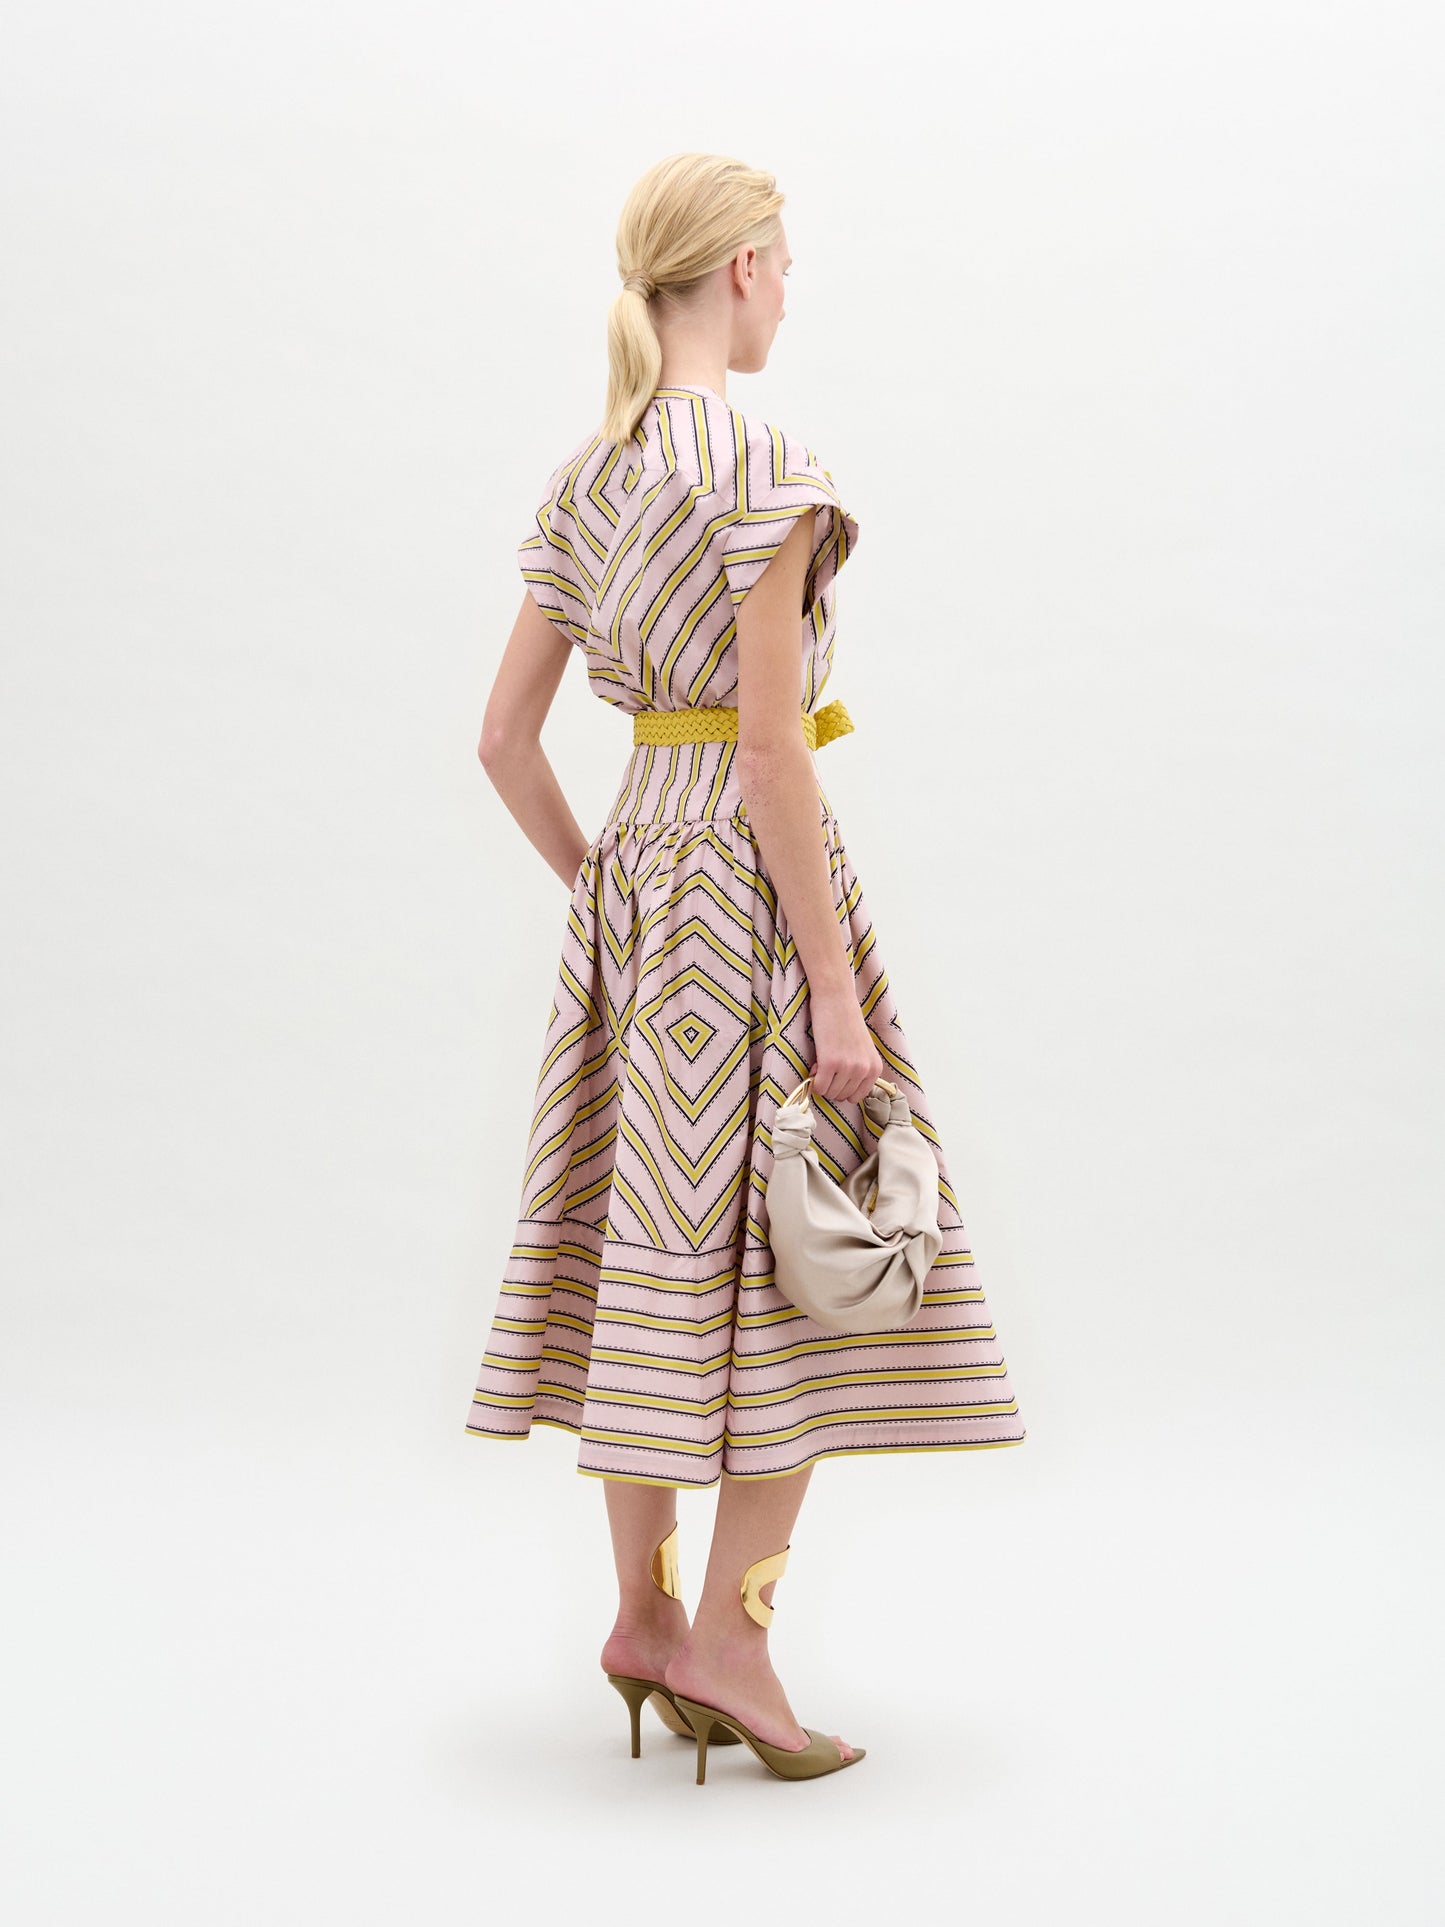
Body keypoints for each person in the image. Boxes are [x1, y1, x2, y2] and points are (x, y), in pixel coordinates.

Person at [464, 152, 1026, 1783]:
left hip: (642, 882)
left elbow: (501, 740)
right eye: (783, 263)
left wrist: (600, 888)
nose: (790, 290)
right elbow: (773, 754)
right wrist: (834, 991)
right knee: (799, 1255)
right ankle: (731, 1642)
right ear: (739, 272)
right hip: (754, 892)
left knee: (650, 1257)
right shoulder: (766, 463)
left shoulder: (589, 476)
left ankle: (639, 1617)